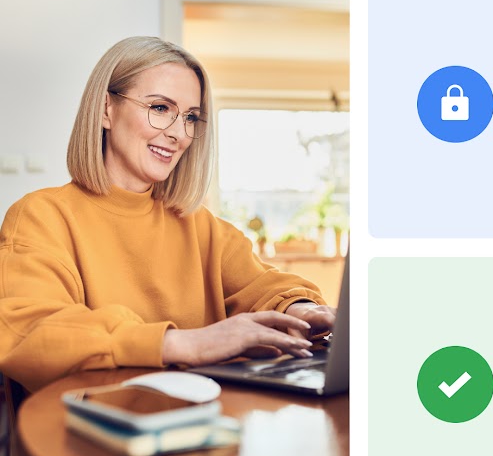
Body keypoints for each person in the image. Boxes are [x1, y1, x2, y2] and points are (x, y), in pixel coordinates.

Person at [0, 36, 336, 392]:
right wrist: (186, 344)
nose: (178, 133)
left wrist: (299, 308)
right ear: (105, 110)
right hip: (88, 429)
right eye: (160, 108)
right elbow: (28, 331)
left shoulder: (199, 225)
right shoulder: (41, 216)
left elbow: (264, 285)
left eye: (191, 117)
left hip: (203, 425)